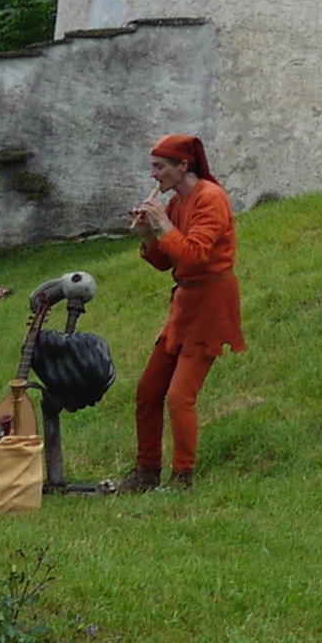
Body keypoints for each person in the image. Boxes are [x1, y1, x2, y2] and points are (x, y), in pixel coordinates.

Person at [121, 136, 242, 494]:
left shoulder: (211, 199)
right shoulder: (175, 204)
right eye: (153, 165)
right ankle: (146, 472)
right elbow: (166, 263)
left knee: (180, 396)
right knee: (148, 391)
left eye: (160, 166)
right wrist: (147, 235)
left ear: (182, 167)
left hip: (212, 303)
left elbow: (196, 255)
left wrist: (164, 227)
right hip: (185, 303)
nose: (153, 173)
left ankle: (182, 478)